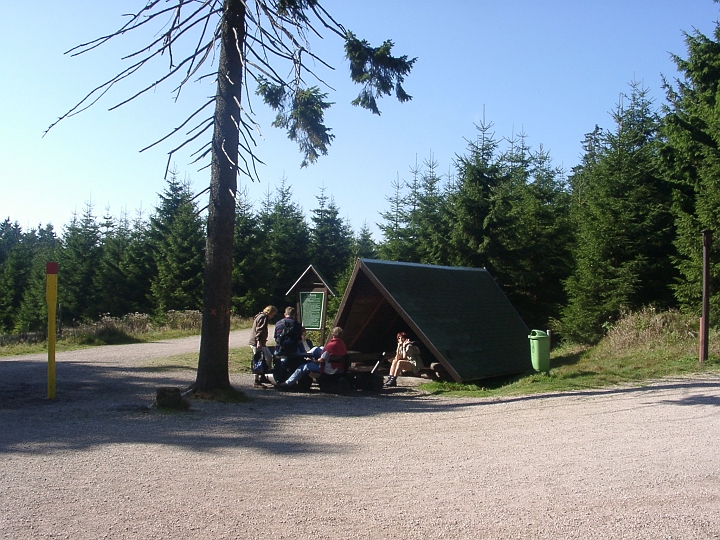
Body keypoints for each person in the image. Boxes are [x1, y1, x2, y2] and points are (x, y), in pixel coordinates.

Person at [277, 326, 347, 390]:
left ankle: (287, 384)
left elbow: (322, 360)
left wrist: (313, 361)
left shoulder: (330, 346)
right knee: (316, 349)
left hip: (327, 368)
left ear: (333, 334)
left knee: (303, 367)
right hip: (338, 368)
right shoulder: (343, 344)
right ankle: (309, 354)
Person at [249, 305, 277, 385]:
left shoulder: (260, 316)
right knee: (259, 360)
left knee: (264, 358)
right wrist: (258, 341)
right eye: (273, 314)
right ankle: (257, 380)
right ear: (270, 312)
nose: (272, 316)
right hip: (257, 343)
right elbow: (259, 330)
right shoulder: (263, 317)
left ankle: (263, 376)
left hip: (259, 342)